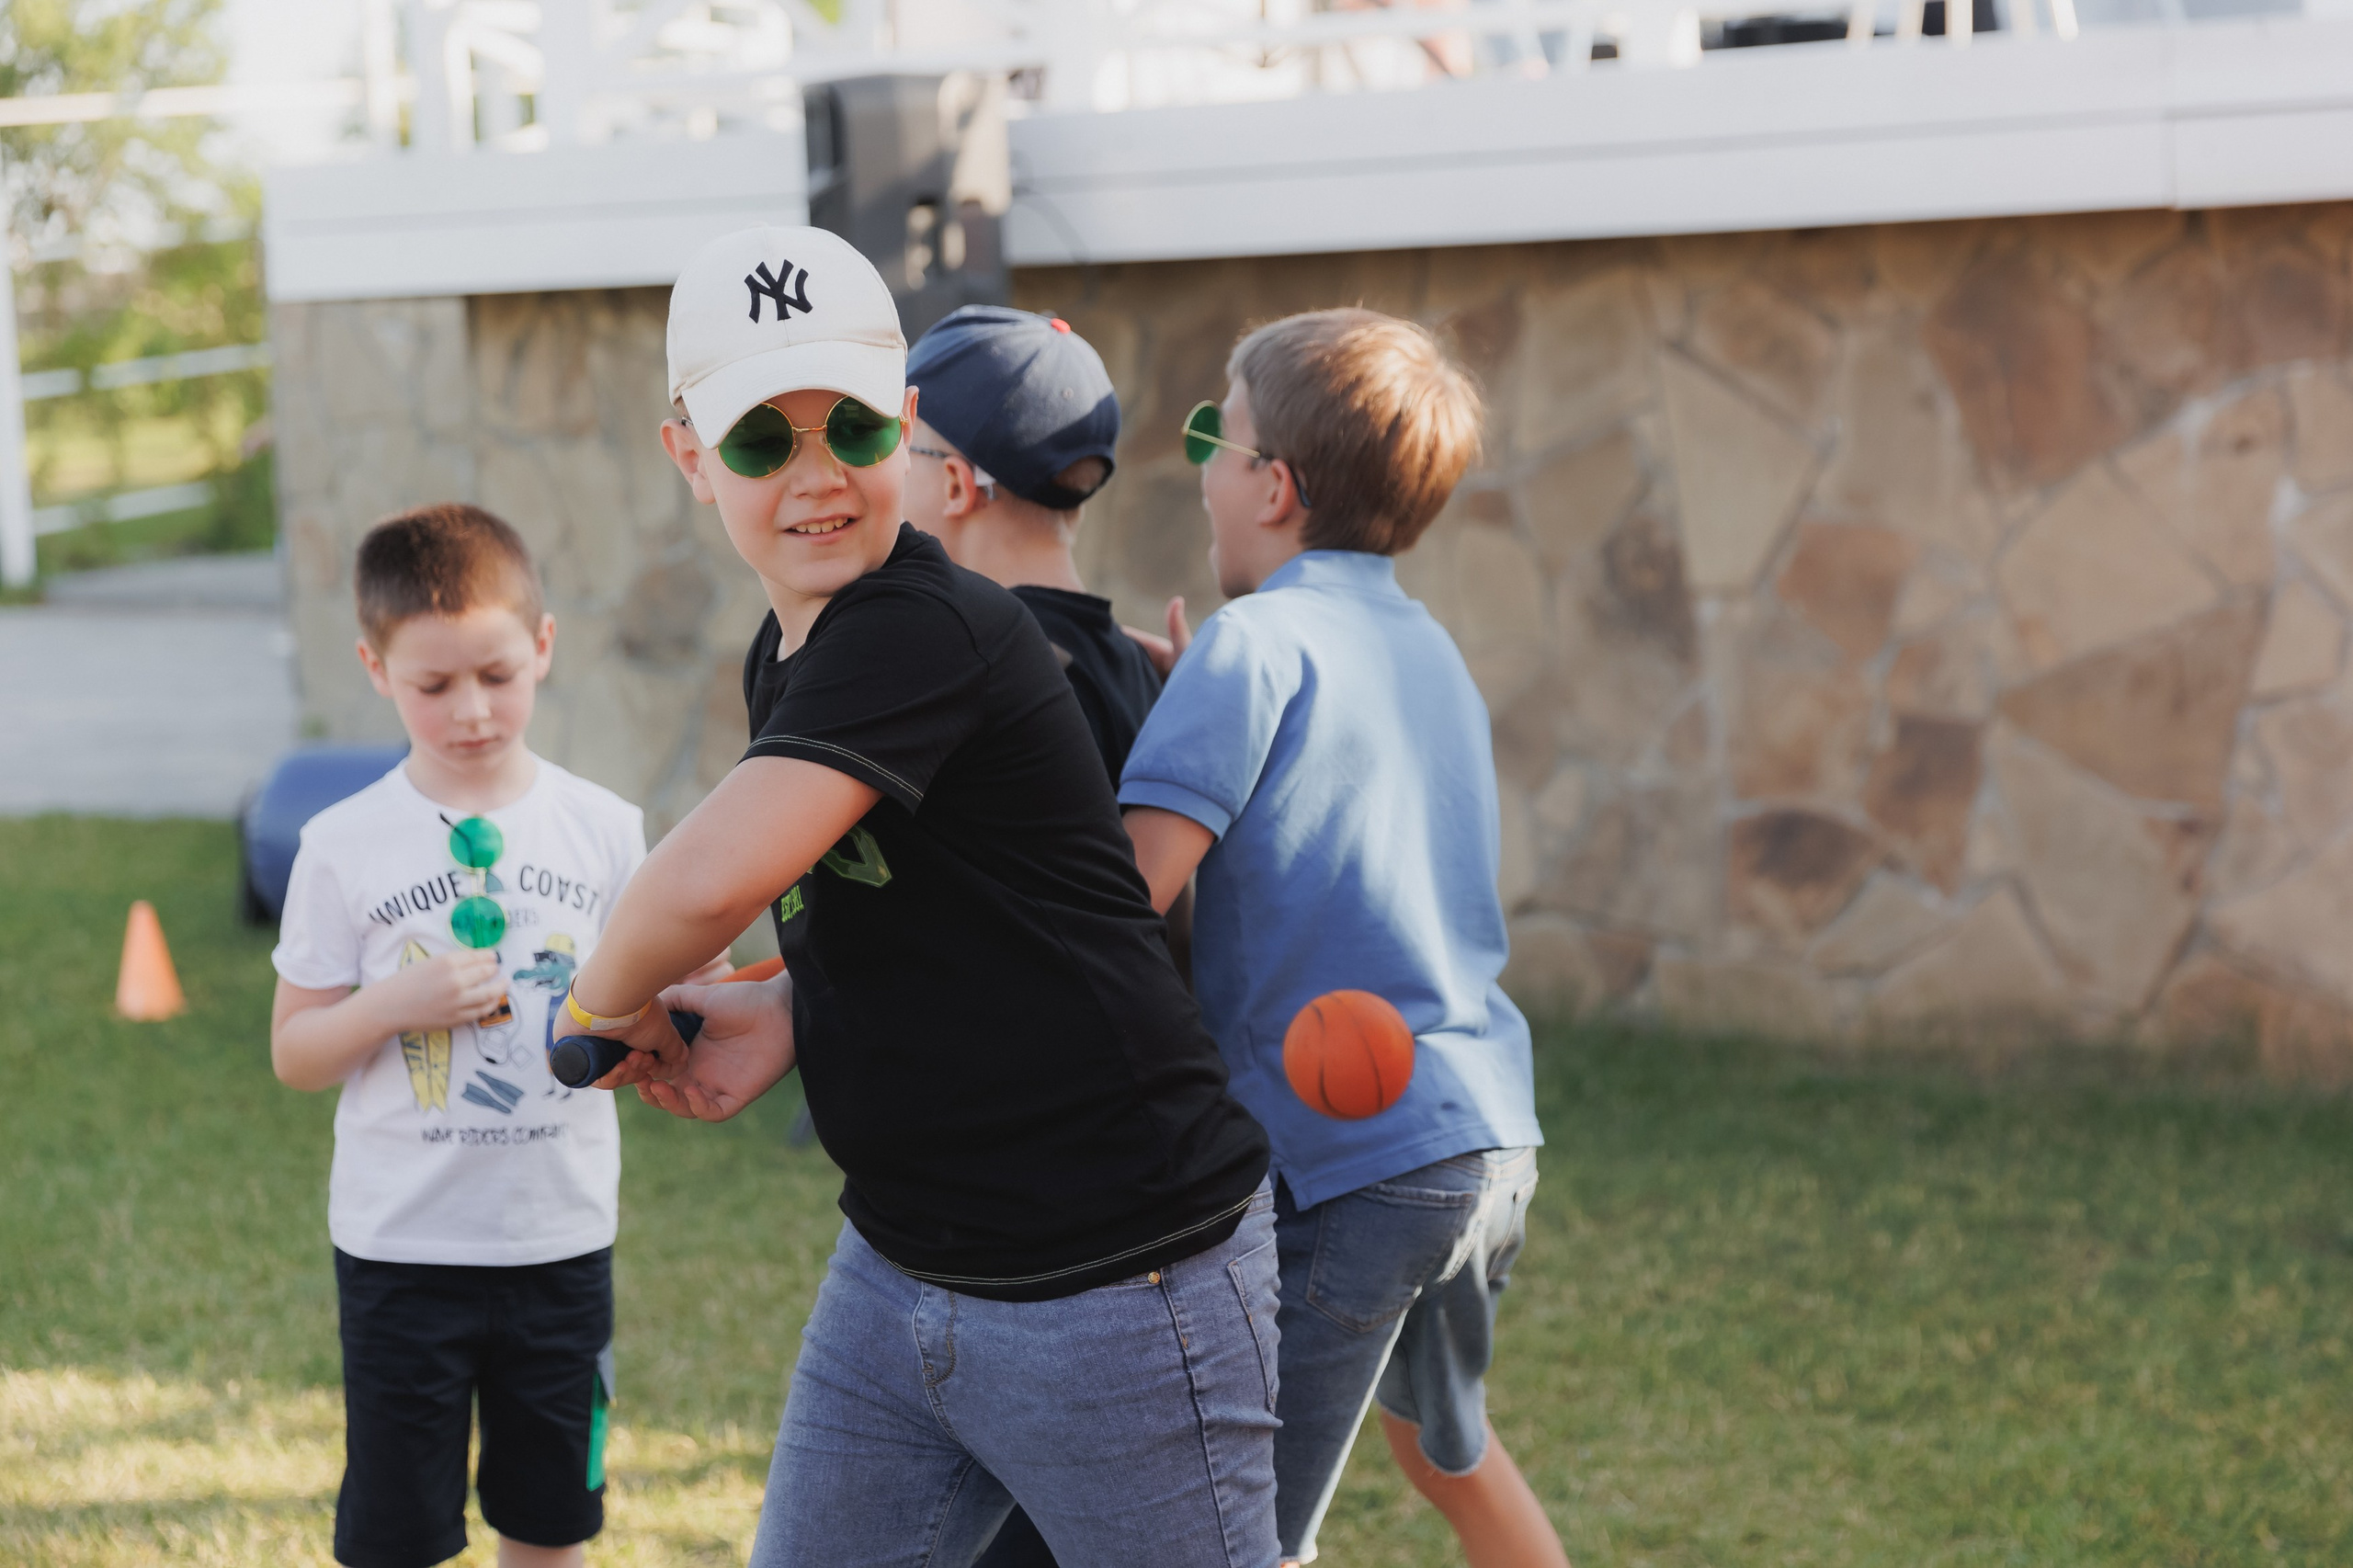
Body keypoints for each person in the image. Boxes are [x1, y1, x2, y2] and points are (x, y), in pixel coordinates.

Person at [564, 225, 1278, 1568]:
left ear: (905, 422)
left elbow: (707, 876)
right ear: (687, 456)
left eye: (849, 427)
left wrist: (594, 1000)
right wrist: (781, 1022)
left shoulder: (924, 626)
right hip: (904, 1263)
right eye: (763, 442)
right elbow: (891, 916)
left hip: (1122, 1278)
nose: (819, 475)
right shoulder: (795, 653)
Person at [1119, 309, 1568, 1568]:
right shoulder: (1428, 648)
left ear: (1273, 485)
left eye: (1219, 434)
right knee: (1444, 1444)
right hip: (1482, 1138)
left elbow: (1120, 898)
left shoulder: (1251, 648)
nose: (1203, 465)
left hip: (1349, 1164)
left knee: (1244, 1526)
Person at [269, 504, 698, 1568]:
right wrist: (387, 1008)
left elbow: (651, 1007)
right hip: (402, 1252)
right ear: (376, 667)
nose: (470, 710)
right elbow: (295, 1052)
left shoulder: (602, 828)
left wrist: (654, 1021)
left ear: (543, 646)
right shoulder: (341, 843)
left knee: (551, 1518)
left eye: (497, 674)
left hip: (557, 1242)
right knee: (399, 1531)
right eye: (433, 685)